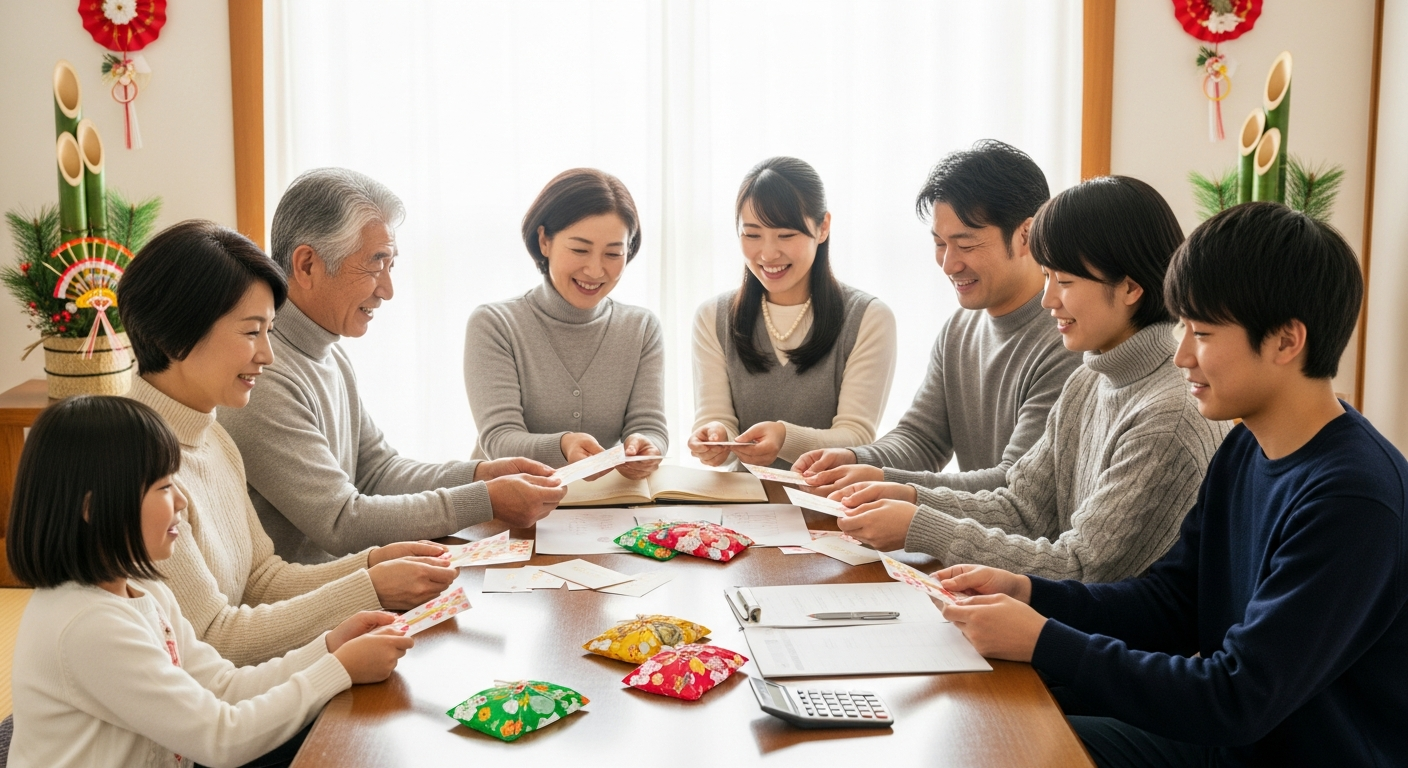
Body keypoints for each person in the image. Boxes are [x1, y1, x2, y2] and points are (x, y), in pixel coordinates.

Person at [935, 203, 1406, 766]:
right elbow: (1171, 603)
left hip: (1266, 748)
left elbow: (1236, 696)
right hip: (1225, 739)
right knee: (985, 722)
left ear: (1286, 341)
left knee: (1012, 747)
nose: (1181, 356)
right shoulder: (1245, 446)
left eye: (1202, 333)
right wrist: (1032, 593)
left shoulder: (1352, 499)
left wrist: (1043, 639)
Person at [833, 177, 1229, 581]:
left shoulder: (1167, 416)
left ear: (1130, 288)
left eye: (1067, 282)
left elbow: (1081, 568)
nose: (1048, 299)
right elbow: (1022, 508)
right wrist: (911, 498)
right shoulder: (1090, 380)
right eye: (1048, 276)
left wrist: (922, 526)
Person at [117, 220, 456, 667]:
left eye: (269, 331)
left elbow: (263, 579)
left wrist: (372, 564)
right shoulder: (129, 466)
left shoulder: (213, 435)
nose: (267, 355)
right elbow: (214, 641)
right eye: (251, 331)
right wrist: (371, 587)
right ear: (176, 335)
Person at [6, 395, 412, 768]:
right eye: (164, 487)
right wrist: (337, 670)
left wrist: (329, 647)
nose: (181, 501)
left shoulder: (146, 589)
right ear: (93, 509)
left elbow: (223, 686)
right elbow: (222, 737)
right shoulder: (88, 626)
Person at [219, 168, 567, 565]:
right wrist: (485, 500)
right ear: (307, 265)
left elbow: (377, 472)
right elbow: (341, 521)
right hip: (309, 608)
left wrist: (480, 476)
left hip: (347, 590)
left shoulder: (327, 351)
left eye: (391, 265)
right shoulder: (263, 373)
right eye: (374, 264)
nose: (387, 289)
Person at [792, 141, 1082, 495]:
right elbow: (922, 440)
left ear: (1026, 235)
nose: (949, 264)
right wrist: (854, 460)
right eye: (940, 244)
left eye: (967, 244)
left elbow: (1014, 484)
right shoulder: (959, 329)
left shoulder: (1068, 338)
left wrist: (886, 482)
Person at [687, 156, 898, 470]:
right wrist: (716, 437)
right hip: (743, 506)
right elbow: (717, 420)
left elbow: (857, 437)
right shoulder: (713, 317)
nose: (768, 253)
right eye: (752, 234)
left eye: (786, 235)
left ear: (822, 227)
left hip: (829, 505)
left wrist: (786, 438)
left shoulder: (868, 318)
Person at [463, 168, 666, 476]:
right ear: (544, 241)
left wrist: (647, 446)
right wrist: (563, 446)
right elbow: (499, 438)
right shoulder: (495, 324)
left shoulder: (641, 328)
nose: (596, 270)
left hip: (602, 507)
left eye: (613, 253)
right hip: (510, 508)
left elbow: (649, 425)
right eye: (580, 249)